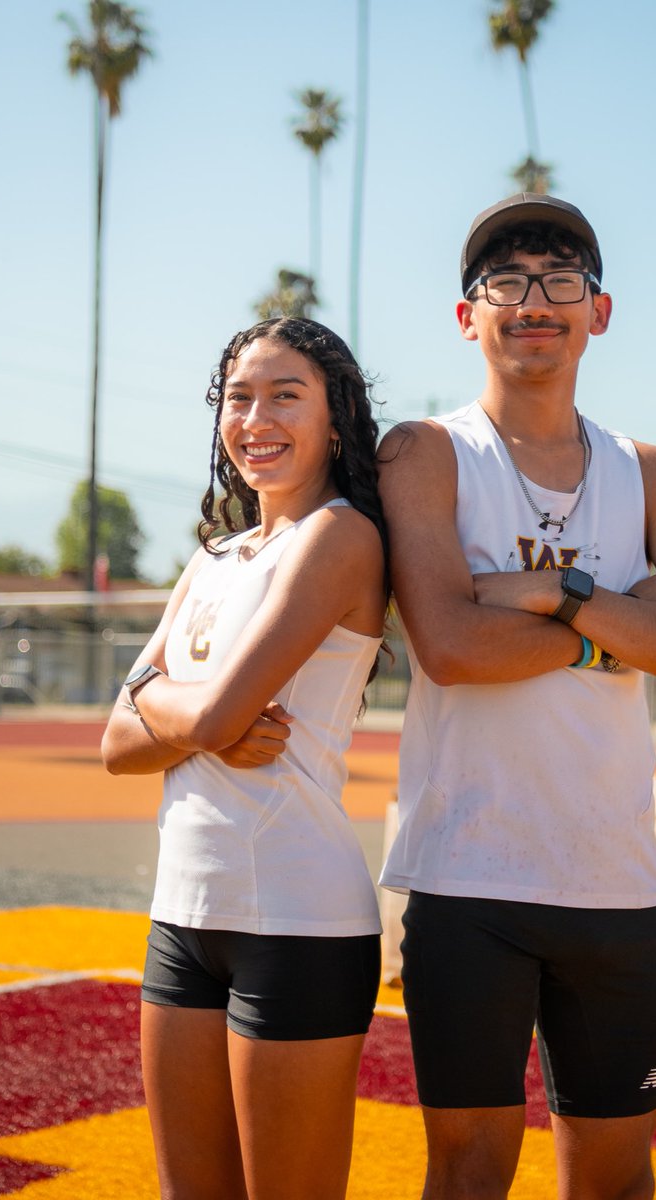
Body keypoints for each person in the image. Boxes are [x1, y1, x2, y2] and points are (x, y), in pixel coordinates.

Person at [377, 193, 656, 1200]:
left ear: (599, 310)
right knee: (466, 1175)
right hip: (468, 881)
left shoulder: (651, 472)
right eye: (504, 282)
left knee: (618, 1181)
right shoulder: (423, 453)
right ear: (468, 316)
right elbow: (448, 645)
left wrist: (552, 592)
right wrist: (620, 625)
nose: (532, 302)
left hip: (615, 887)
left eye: (559, 280)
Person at [101, 316, 388, 1200]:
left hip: (299, 920)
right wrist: (191, 717)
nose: (256, 416)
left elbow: (197, 708)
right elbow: (116, 744)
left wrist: (159, 699)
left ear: (337, 418)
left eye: (285, 395)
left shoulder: (342, 539)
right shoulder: (213, 559)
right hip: (182, 915)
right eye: (239, 397)